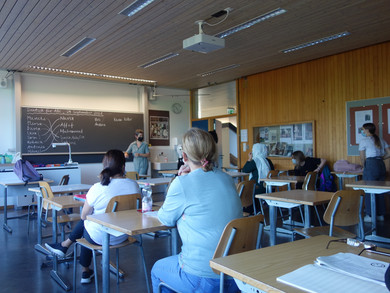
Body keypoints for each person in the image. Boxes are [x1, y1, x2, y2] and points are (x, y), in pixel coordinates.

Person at [151, 128, 242, 293]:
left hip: (203, 276)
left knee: (157, 270)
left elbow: (165, 219)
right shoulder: (227, 178)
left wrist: (177, 180)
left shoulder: (182, 183)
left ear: (184, 157)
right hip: (236, 275)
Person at [45, 150, 140, 284]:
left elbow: (84, 216)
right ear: (123, 167)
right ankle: (65, 247)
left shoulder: (97, 187)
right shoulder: (134, 185)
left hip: (101, 238)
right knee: (90, 224)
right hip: (124, 235)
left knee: (87, 225)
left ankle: (84, 269)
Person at [359, 122, 390, 222]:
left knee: (368, 190)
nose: (362, 131)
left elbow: (362, 157)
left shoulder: (364, 141)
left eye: (363, 129)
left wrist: (364, 167)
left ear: (367, 130)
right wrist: (382, 158)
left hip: (371, 165)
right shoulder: (380, 139)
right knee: (379, 190)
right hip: (381, 164)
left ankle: (371, 215)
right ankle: (380, 214)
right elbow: (389, 153)